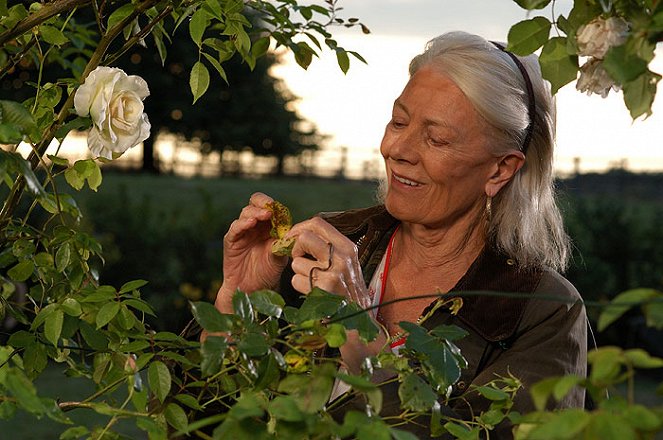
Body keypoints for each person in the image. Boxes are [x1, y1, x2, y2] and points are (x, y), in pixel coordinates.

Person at [212, 31, 587, 438]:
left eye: (436, 138)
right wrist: (237, 304)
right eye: (399, 121)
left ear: (499, 170)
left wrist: (363, 345)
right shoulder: (325, 245)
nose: (397, 149)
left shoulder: (542, 310)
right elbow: (207, 417)